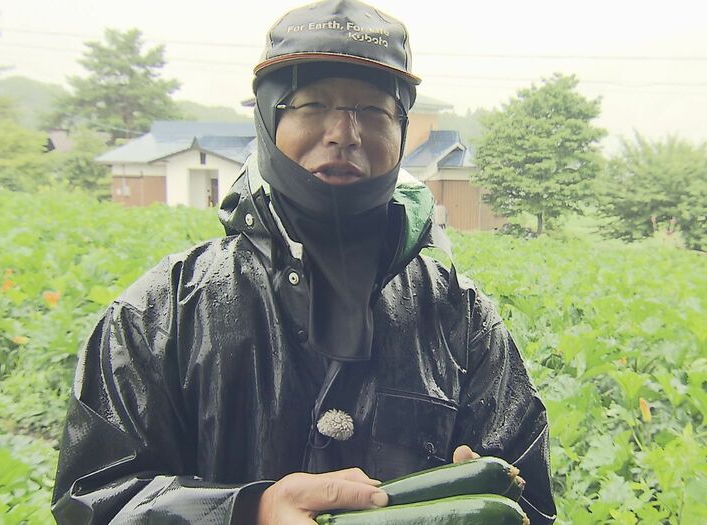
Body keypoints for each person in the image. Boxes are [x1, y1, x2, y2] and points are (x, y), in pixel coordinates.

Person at [51, 1, 556, 523]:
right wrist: (247, 511)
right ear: (268, 122)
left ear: (401, 132)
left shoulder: (462, 319)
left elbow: (529, 502)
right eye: (311, 105)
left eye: (373, 111)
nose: (344, 132)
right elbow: (93, 499)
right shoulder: (160, 314)